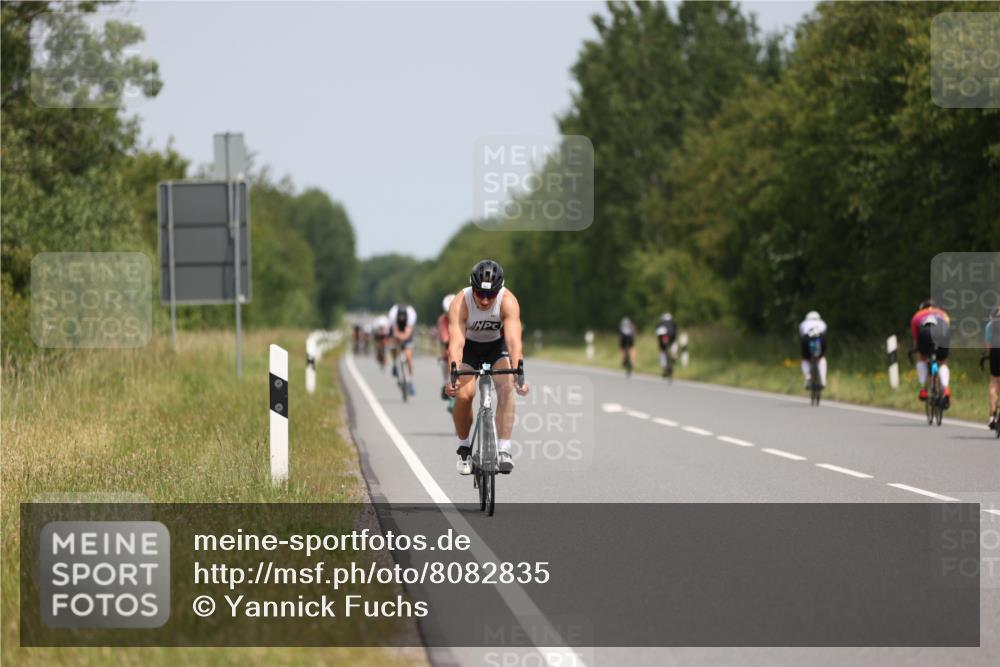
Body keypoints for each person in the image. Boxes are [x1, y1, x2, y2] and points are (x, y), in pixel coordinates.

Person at [445, 259, 529, 475]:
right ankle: (464, 448)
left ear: (498, 291)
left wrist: (519, 374)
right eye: (479, 294)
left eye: (490, 295)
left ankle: (503, 450)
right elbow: (456, 343)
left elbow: (513, 342)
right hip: (469, 348)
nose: (484, 300)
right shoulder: (459, 303)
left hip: (495, 347)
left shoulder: (508, 301)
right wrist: (453, 375)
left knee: (506, 386)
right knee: (464, 396)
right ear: (471, 288)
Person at [910, 299, 952, 407]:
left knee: (921, 357)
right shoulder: (943, 314)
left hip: (925, 333)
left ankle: (923, 388)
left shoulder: (917, 315)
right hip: (942, 332)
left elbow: (916, 338)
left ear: (922, 308)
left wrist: (916, 349)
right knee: (942, 362)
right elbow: (947, 330)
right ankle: (946, 388)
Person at [388, 302, 417, 395]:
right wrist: (397, 338)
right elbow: (395, 331)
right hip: (396, 330)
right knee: (393, 347)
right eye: (400, 317)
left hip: (406, 332)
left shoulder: (411, 315)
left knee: (408, 356)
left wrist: (402, 338)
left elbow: (408, 332)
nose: (402, 318)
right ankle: (394, 363)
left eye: (403, 317)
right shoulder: (392, 316)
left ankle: (409, 380)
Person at [437, 294, 457, 412]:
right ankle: (446, 383)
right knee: (445, 358)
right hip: (449, 345)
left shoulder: (465, 316)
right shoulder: (443, 320)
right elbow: (445, 337)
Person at [798, 310, 828, 389]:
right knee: (821, 358)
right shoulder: (822, 323)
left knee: (805, 359)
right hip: (820, 340)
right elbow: (824, 333)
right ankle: (823, 379)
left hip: (807, 340)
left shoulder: (803, 323)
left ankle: (807, 375)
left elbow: (801, 336)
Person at [985, 306, 1000, 429]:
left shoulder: (990, 325)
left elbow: (989, 348)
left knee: (994, 381)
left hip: (995, 352)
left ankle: (992, 416)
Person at [654, 313, 678, 378]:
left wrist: (659, 345)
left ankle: (664, 369)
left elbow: (658, 335)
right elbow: (676, 333)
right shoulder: (673, 323)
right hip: (672, 338)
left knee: (662, 352)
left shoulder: (660, 324)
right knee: (673, 345)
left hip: (663, 339)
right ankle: (674, 356)